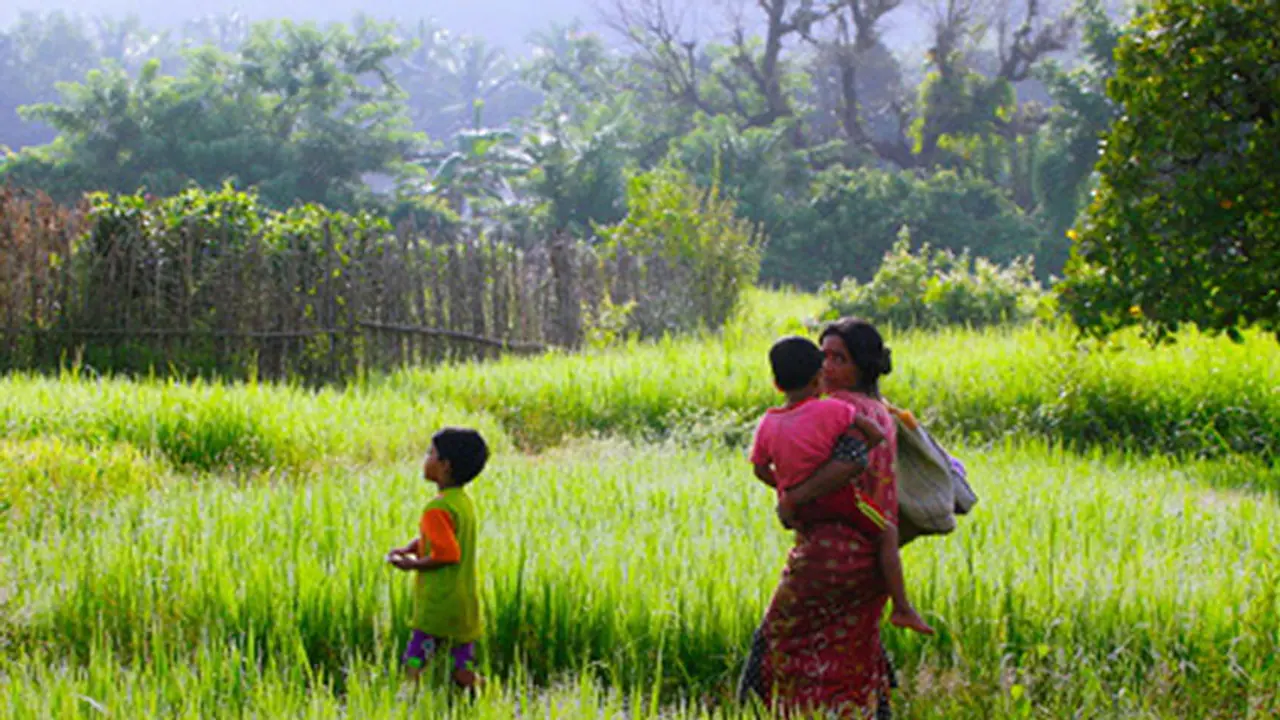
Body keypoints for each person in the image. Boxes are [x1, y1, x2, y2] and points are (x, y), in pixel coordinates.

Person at [741, 320, 918, 719]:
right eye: (824, 358)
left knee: (776, 642)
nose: (828, 368)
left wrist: (791, 499)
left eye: (840, 359)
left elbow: (847, 465)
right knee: (854, 651)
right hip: (869, 559)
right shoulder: (875, 411)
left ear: (863, 367)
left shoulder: (844, 410)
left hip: (833, 555)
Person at [750, 336, 932, 636]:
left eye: (840, 359)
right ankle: (902, 608)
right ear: (818, 378)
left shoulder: (768, 422)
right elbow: (872, 437)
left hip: (802, 512)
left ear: (776, 384)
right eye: (827, 363)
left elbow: (759, 469)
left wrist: (787, 490)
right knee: (887, 531)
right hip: (839, 500)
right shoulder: (835, 410)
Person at [387, 427, 488, 690]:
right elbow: (440, 540)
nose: (425, 458)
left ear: (444, 466)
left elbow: (447, 553)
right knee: (463, 674)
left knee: (413, 667)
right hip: (463, 606)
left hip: (439, 607)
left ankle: (404, 708)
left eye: (430, 453)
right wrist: (411, 547)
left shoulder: (437, 508)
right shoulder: (462, 502)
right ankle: (499, 698)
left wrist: (411, 565)